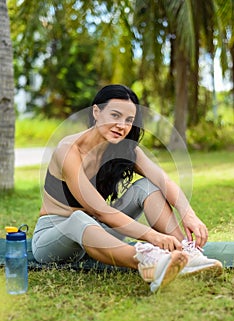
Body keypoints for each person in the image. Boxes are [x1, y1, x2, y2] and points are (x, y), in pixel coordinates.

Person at [32, 84, 223, 292]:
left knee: (147, 186)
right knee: (79, 218)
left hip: (97, 234)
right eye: (115, 115)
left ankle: (185, 254)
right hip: (55, 238)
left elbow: (163, 180)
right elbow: (99, 210)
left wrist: (189, 214)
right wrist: (153, 236)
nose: (121, 126)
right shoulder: (68, 150)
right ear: (96, 112)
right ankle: (151, 263)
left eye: (128, 120)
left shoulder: (125, 148)